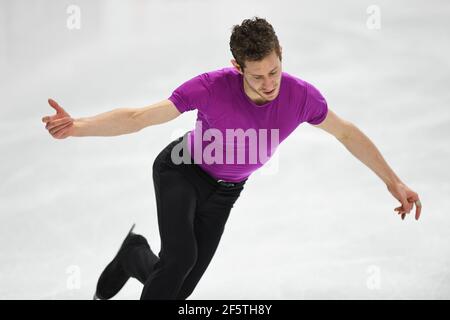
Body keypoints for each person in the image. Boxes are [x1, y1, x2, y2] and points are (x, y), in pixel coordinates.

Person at [41, 17, 422, 300]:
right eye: (257, 76)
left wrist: (394, 182)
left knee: (177, 289)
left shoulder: (301, 97)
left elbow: (347, 133)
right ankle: (138, 255)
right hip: (182, 170)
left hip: (226, 193)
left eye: (274, 71)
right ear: (238, 67)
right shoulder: (209, 88)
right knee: (179, 259)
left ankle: (133, 253)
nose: (269, 83)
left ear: (281, 56)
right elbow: (140, 118)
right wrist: (77, 126)